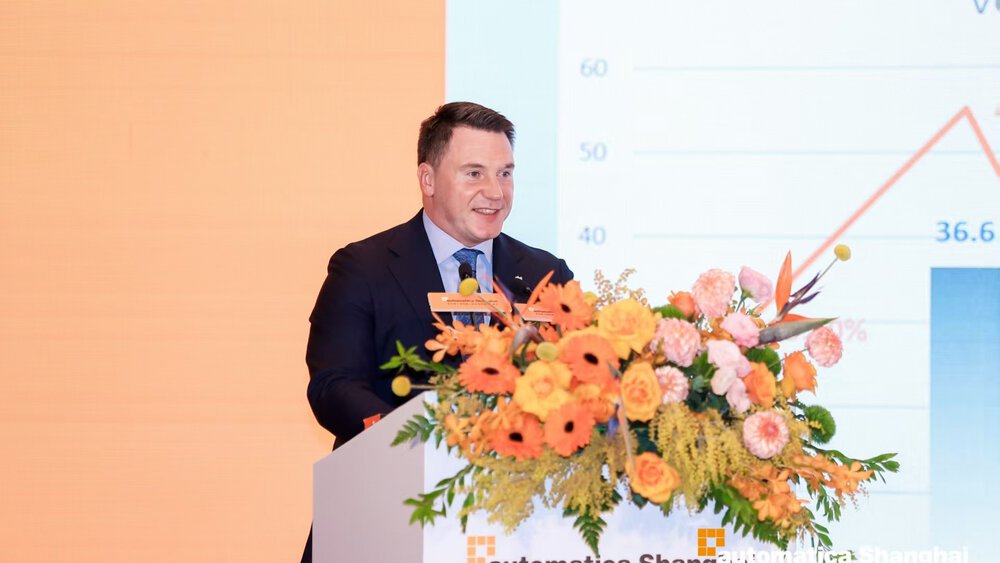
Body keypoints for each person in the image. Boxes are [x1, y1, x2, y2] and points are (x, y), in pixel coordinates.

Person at [301, 101, 573, 562]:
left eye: (505, 173)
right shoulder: (363, 267)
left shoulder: (545, 274)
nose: (495, 191)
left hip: (512, 523)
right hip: (386, 515)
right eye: (474, 173)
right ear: (427, 179)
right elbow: (333, 386)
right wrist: (416, 440)